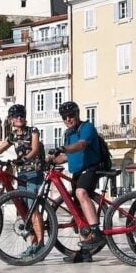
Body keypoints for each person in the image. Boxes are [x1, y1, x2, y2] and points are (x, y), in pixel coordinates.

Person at [0, 104, 45, 259]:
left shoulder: (33, 131)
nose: (19, 118)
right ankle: (34, 245)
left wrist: (24, 159)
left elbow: (34, 149)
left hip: (34, 173)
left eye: (21, 115)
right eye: (15, 116)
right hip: (22, 175)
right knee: (25, 210)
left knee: (33, 208)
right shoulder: (13, 136)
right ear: (11, 119)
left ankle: (41, 245)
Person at [45, 100, 103, 263]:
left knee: (80, 192)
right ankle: (85, 252)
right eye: (65, 117)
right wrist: (50, 160)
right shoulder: (67, 134)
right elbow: (66, 156)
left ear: (77, 114)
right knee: (77, 213)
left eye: (71, 115)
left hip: (91, 169)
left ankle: (96, 232)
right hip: (77, 173)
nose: (68, 119)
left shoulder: (87, 127)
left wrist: (62, 148)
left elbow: (81, 145)